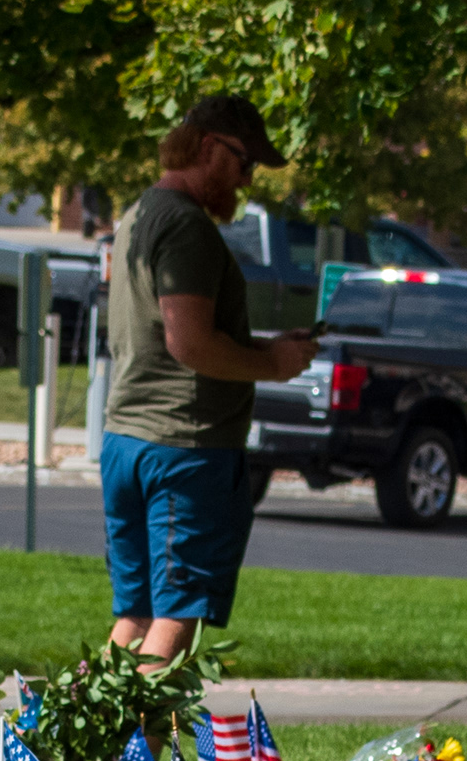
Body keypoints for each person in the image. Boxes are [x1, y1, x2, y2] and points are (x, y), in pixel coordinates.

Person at [100, 95, 311, 664]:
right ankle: (134, 752)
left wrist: (265, 347)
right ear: (210, 148)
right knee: (178, 613)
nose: (247, 180)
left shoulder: (138, 214)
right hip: (184, 449)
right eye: (245, 163)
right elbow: (189, 342)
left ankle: (78, 749)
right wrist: (274, 365)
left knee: (136, 613)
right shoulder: (187, 227)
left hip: (128, 439)